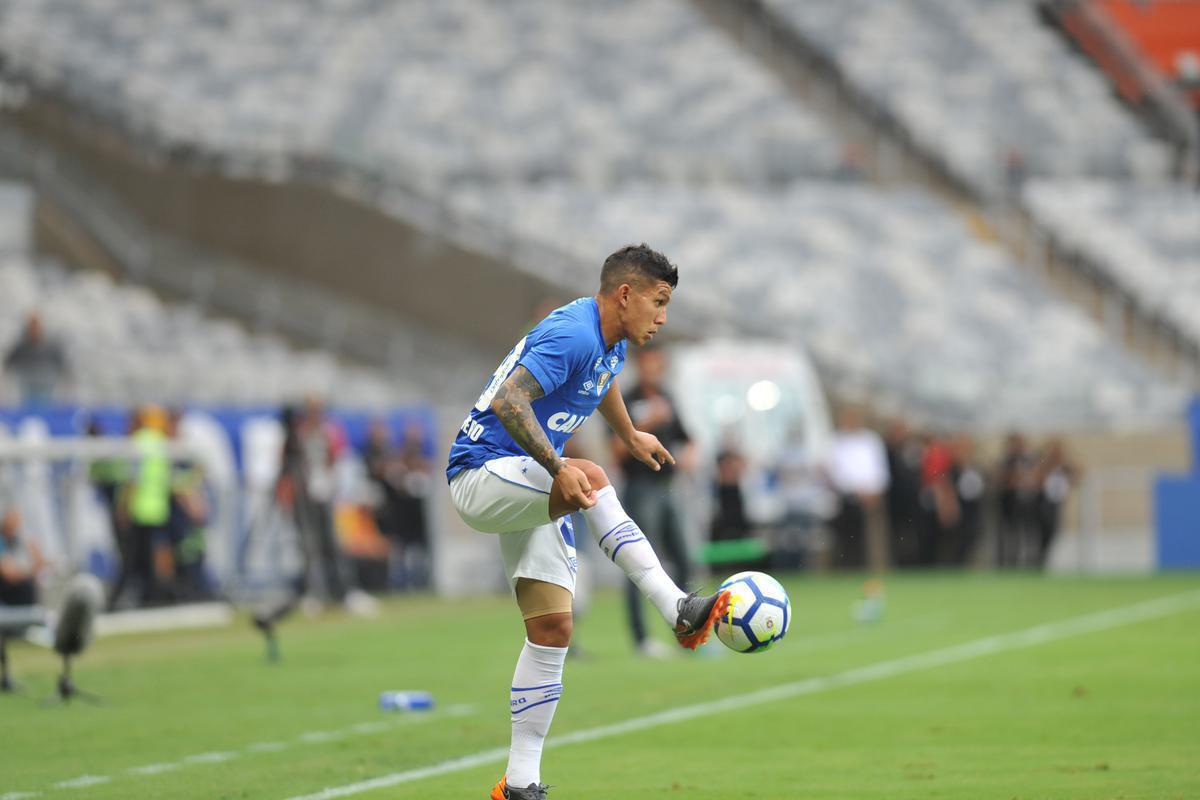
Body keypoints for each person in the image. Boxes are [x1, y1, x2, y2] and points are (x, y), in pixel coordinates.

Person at [446, 244, 732, 800]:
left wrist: (628, 432)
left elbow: (601, 381)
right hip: (480, 475)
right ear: (625, 294)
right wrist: (557, 464)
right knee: (592, 475)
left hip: (527, 481)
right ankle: (674, 606)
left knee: (553, 630)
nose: (663, 317)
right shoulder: (574, 332)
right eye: (659, 301)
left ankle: (520, 782)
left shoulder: (609, 340)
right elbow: (509, 402)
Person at [610, 345, 694, 658]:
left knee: (685, 559)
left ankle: (686, 630)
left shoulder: (667, 397)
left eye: (657, 364)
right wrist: (644, 425)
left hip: (669, 486)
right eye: (647, 364)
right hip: (640, 487)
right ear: (639, 365)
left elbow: (689, 438)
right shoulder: (627, 399)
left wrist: (690, 457)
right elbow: (615, 451)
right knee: (640, 563)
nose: (652, 369)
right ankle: (642, 639)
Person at [3, 312, 68, 405]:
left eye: (36, 326)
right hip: (26, 386)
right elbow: (10, 361)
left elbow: (60, 362)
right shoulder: (22, 345)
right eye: (32, 326)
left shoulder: (50, 344)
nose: (34, 329)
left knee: (45, 408)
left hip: (46, 385)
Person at [0, 508, 46, 606]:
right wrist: (31, 568)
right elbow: (9, 575)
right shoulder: (2, 541)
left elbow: (41, 562)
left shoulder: (18, 540)